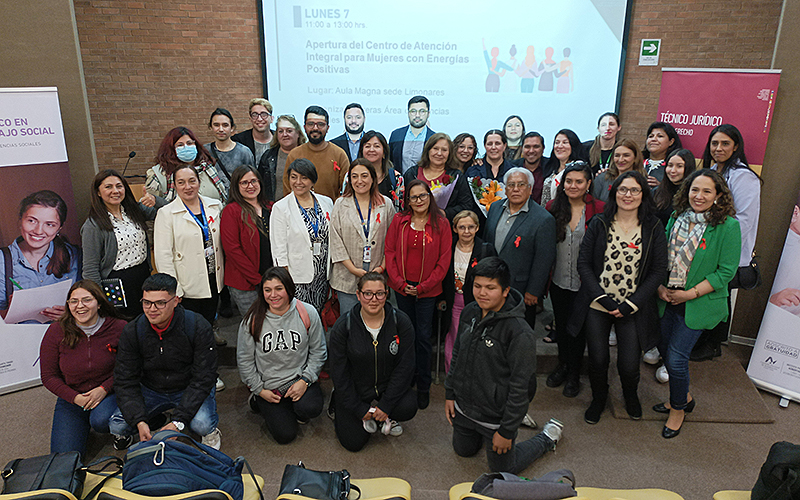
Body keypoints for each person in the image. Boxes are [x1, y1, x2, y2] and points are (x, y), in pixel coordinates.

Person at [445, 257, 563, 474]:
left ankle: (546, 437)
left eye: (491, 288)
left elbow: (521, 385)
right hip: (465, 407)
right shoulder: (470, 311)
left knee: (503, 470)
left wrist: (507, 430)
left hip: (495, 417)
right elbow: (458, 355)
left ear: (505, 290)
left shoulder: (520, 332)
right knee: (463, 451)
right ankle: (488, 430)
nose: (482, 293)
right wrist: (450, 392)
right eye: (477, 286)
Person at [569, 171, 667, 424]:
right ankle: (598, 398)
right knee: (598, 358)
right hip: (598, 303)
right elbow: (584, 264)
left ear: (643, 194)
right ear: (614, 193)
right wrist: (603, 298)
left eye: (635, 190)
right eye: (623, 190)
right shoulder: (599, 223)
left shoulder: (654, 227)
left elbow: (658, 271)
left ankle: (630, 395)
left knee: (629, 363)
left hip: (633, 306)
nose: (628, 195)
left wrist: (632, 303)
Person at [655, 170, 740, 438]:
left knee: (677, 359)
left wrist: (688, 294)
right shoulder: (677, 216)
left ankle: (678, 408)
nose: (699, 196)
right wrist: (659, 285)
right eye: (694, 190)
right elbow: (662, 256)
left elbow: (726, 272)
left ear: (718, 196)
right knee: (662, 348)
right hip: (667, 297)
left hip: (697, 302)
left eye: (706, 191)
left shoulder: (728, 226)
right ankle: (684, 396)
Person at [110, 273, 221, 450]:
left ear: (176, 301)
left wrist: (178, 421)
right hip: (152, 389)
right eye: (147, 302)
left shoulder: (197, 325)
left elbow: (204, 377)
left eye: (160, 303)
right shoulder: (133, 330)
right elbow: (125, 380)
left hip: (188, 386)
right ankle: (153, 419)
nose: (152, 309)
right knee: (117, 425)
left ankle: (201, 426)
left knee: (203, 425)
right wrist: (139, 421)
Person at [692, 124, 761, 361]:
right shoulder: (710, 171)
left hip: (726, 248)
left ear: (736, 147)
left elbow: (745, 219)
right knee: (706, 293)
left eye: (725, 144)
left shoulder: (744, 177)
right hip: (704, 245)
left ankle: (713, 343)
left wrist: (717, 242)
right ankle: (702, 339)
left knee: (720, 295)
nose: (718, 148)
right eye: (714, 143)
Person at [237, 267, 326, 444]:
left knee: (311, 408)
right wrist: (260, 390)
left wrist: (305, 381)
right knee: (285, 436)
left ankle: (294, 408)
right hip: (269, 388)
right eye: (267, 290)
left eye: (279, 289)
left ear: (289, 289)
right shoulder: (252, 320)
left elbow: (319, 352)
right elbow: (245, 360)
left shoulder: (307, 312)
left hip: (298, 381)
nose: (273, 295)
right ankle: (257, 401)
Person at [328, 273, 417, 451]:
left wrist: (386, 405)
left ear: (387, 294)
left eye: (379, 293)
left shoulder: (401, 322)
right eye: (368, 293)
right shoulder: (343, 326)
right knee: (353, 443)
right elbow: (339, 373)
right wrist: (358, 408)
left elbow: (405, 367)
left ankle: (385, 415)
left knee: (409, 405)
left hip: (385, 388)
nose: (373, 299)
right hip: (356, 390)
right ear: (358, 295)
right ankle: (341, 406)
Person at [385, 180, 452, 409]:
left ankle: (423, 384)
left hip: (428, 290)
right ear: (408, 201)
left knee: (423, 337)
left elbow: (444, 261)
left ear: (429, 197)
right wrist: (399, 282)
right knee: (404, 334)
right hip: (402, 288)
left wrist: (423, 287)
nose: (419, 201)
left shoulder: (441, 223)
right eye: (414, 197)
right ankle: (406, 378)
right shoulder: (399, 221)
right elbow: (390, 252)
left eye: (423, 196)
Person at [40, 280, 127, 456]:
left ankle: (122, 432)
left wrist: (104, 389)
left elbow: (129, 368)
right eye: (73, 301)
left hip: (110, 393)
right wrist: (75, 398)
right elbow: (48, 376)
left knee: (101, 420)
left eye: (87, 300)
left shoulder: (119, 327)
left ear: (99, 303)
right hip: (72, 397)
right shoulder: (56, 331)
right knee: (63, 460)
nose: (80, 306)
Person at [545, 163, 604, 398]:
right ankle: (563, 365)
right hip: (559, 279)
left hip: (586, 283)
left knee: (577, 330)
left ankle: (574, 374)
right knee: (561, 325)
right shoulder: (552, 207)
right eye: (569, 181)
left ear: (588, 184)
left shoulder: (599, 209)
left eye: (579, 182)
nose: (573, 186)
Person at [153, 164, 225, 348]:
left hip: (213, 278)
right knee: (190, 333)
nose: (188, 186)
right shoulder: (166, 213)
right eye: (181, 182)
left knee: (208, 325)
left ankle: (209, 366)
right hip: (186, 285)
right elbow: (163, 256)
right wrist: (174, 289)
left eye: (192, 181)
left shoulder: (214, 205)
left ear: (199, 182)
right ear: (175, 186)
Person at [484, 167, 556, 328]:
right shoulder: (495, 208)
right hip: (491, 284)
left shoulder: (543, 219)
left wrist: (534, 290)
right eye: (511, 185)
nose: (515, 189)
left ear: (530, 189)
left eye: (521, 184)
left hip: (521, 290)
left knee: (518, 335)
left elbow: (544, 259)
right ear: (505, 188)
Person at [82, 170, 158, 319]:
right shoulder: (93, 225)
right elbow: (90, 268)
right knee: (124, 324)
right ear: (98, 192)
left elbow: (165, 211)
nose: (115, 191)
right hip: (115, 284)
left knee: (148, 320)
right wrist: (100, 298)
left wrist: (154, 200)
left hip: (143, 275)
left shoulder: (135, 211)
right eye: (108, 187)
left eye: (119, 186)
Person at [1, 190, 81, 321]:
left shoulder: (74, 255)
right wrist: (8, 312)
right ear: (20, 219)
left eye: (49, 224)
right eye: (32, 221)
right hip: (20, 338)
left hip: (66, 336)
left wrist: (73, 312)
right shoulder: (2, 261)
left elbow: (94, 304)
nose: (38, 231)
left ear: (59, 228)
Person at [330, 159, 396, 314]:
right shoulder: (340, 204)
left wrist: (381, 267)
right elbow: (335, 240)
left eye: (364, 176)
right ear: (349, 180)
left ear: (373, 178)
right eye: (354, 176)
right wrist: (353, 269)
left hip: (378, 271)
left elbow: (393, 240)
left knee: (376, 317)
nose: (360, 181)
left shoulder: (385, 204)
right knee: (349, 320)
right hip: (347, 274)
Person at [271, 159, 335, 312]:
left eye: (304, 178)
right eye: (294, 177)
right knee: (300, 316)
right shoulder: (281, 207)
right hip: (297, 277)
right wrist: (284, 279)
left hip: (322, 275)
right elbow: (278, 248)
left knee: (318, 315)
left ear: (312, 180)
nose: (298, 182)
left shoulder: (326, 202)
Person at [440, 210, 496, 373]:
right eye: (462, 227)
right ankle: (453, 373)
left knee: (475, 338)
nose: (466, 231)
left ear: (477, 228)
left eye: (471, 227)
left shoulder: (486, 249)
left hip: (478, 303)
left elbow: (494, 277)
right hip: (454, 302)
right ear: (455, 228)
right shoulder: (448, 247)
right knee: (455, 337)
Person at [221, 166, 272, 316]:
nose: (250, 186)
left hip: (271, 278)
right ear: (236, 186)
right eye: (244, 183)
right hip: (245, 283)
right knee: (254, 326)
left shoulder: (271, 207)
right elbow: (232, 250)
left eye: (253, 181)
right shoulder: (231, 211)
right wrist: (256, 279)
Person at [145, 126, 228, 205]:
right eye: (180, 145)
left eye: (189, 143)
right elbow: (152, 207)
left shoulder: (208, 168)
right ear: (171, 149)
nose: (186, 147)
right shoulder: (159, 174)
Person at [402, 132, 474, 221]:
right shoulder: (412, 173)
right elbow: (403, 202)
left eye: (444, 150)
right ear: (428, 150)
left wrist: (446, 213)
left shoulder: (456, 176)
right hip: (414, 225)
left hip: (444, 227)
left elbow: (466, 205)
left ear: (449, 153)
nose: (439, 153)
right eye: (435, 148)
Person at [282, 106, 349, 201]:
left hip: (331, 213)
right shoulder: (294, 154)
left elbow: (346, 190)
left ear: (327, 128)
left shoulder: (339, 155)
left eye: (320, 124)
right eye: (311, 124)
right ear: (304, 127)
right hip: (298, 212)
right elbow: (288, 189)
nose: (315, 128)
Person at [258, 114, 307, 201]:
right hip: (275, 209)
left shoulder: (307, 155)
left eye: (289, 131)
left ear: (298, 133)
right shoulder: (268, 157)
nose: (284, 134)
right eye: (280, 131)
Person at [356, 130, 404, 210]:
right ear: (362, 151)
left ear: (384, 152)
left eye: (376, 146)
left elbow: (399, 210)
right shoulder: (350, 176)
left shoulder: (396, 178)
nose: (371, 150)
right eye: (367, 146)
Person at [204, 108, 255, 182]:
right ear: (211, 127)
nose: (221, 129)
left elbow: (252, 179)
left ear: (232, 128)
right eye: (216, 125)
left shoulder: (244, 152)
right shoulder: (205, 152)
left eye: (225, 125)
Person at [389, 95, 436, 173]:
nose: (417, 115)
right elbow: (390, 161)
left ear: (428, 114)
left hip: (423, 184)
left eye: (422, 111)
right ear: (408, 113)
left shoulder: (434, 138)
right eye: (413, 111)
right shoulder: (396, 135)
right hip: (399, 183)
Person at [592, 138, 646, 203]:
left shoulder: (643, 181)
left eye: (626, 155)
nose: (620, 160)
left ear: (635, 158)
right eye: (617, 155)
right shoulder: (602, 178)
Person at [541, 129, 586, 206]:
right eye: (557, 142)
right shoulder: (550, 167)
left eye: (565, 142)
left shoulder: (580, 168)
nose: (560, 146)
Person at [653, 149, 697, 226]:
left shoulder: (694, 195)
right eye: (670, 165)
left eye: (679, 166)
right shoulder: (656, 192)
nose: (673, 170)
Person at [232, 98, 274, 166]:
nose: (259, 119)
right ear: (250, 119)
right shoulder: (238, 141)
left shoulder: (280, 140)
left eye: (264, 114)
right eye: (255, 115)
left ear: (271, 119)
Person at [643, 122, 683, 188]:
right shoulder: (637, 162)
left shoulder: (673, 167)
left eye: (660, 136)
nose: (654, 139)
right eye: (651, 136)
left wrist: (661, 187)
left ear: (671, 142)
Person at [516, 132, 548, 204]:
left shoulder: (551, 167)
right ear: (522, 149)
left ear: (543, 149)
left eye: (536, 147)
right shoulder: (513, 167)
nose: (531, 151)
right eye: (527, 147)